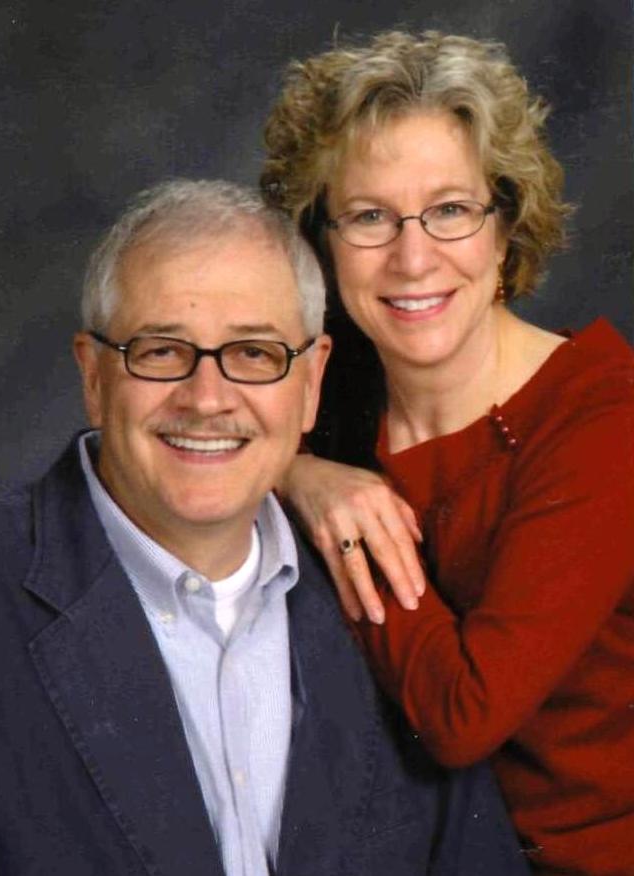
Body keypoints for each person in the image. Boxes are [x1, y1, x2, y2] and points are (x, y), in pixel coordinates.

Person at [0, 178, 528, 876]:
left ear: (311, 383)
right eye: (160, 351)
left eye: (255, 353)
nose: (207, 399)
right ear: (94, 376)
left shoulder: (391, 587)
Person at [261, 29, 634, 876]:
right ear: (321, 240)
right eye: (369, 216)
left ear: (505, 229)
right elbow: (166, 445)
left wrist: (349, 530)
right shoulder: (335, 392)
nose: (412, 256)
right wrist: (297, 471)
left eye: (451, 210)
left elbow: (465, 714)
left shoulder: (602, 418)